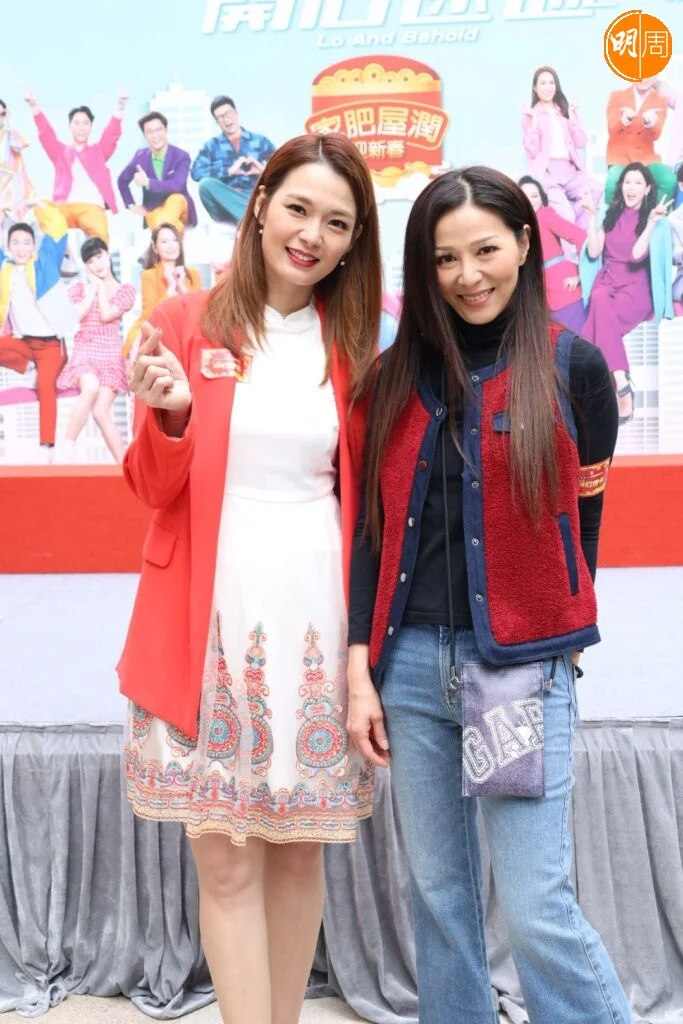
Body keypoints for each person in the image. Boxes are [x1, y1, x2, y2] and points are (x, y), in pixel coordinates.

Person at [346, 165, 633, 1024]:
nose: (467, 274)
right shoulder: (389, 379)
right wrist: (362, 668)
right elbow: (371, 537)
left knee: (536, 904)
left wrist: (559, 635)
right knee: (439, 897)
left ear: (522, 244)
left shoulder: (574, 367)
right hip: (408, 671)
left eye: (484, 250)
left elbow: (584, 519)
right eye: (444, 259)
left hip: (515, 670)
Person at [118, 133, 381, 1024]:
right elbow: (150, 489)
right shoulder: (184, 322)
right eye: (298, 208)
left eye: (336, 223)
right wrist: (172, 418)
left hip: (313, 615)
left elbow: (367, 502)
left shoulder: (356, 345)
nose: (312, 235)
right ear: (260, 204)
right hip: (205, 614)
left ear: (353, 240)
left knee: (298, 852)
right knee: (226, 863)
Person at [579, 162, 674, 425]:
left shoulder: (655, 220)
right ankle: (622, 383)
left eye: (637, 183)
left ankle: (613, 389)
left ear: (647, 189)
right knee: (599, 298)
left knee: (593, 328)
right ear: (621, 186)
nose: (631, 187)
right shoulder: (609, 214)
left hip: (635, 288)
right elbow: (594, 251)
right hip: (607, 282)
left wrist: (651, 223)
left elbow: (635, 255)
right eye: (627, 182)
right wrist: (591, 218)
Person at [0, 203, 75, 460]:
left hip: (51, 346)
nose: (21, 248)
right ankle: (27, 365)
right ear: (8, 246)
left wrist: (38, 206)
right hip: (25, 343)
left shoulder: (45, 263)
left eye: (26, 242)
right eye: (15, 243)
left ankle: (47, 447)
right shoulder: (5, 269)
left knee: (45, 387)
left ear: (34, 245)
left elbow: (58, 229)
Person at [56, 237, 135, 463]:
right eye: (90, 261)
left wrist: (101, 288)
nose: (97, 264)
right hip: (86, 351)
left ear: (108, 254)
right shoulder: (80, 289)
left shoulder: (125, 290)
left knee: (101, 411)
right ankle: (67, 445)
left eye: (99, 256)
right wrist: (93, 289)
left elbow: (107, 314)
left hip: (111, 355)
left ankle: (124, 465)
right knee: (90, 387)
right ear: (86, 266)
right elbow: (76, 316)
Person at [24, 90, 128, 244]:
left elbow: (111, 135)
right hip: (64, 208)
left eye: (86, 123)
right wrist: (34, 106)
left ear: (91, 127)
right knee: (41, 209)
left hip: (91, 208)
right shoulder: (60, 152)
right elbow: (46, 134)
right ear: (70, 126)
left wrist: (120, 106)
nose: (81, 127)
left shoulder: (99, 151)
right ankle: (57, 252)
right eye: (77, 123)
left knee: (101, 242)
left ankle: (101, 257)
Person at [521, 66, 601, 227]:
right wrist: (533, 124)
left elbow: (581, 142)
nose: (548, 87)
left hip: (569, 171)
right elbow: (532, 151)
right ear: (535, 88)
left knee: (595, 189)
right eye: (543, 83)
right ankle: (571, 231)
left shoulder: (564, 111)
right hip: (546, 172)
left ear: (556, 86)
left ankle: (577, 233)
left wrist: (573, 117)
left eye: (551, 83)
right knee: (566, 215)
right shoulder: (531, 114)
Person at [191, 95, 275, 225]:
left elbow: (283, 168)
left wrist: (262, 170)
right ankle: (250, 219)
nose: (226, 119)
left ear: (236, 113)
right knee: (205, 185)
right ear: (216, 122)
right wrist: (228, 171)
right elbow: (196, 173)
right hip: (226, 199)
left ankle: (245, 220)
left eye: (228, 113)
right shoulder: (212, 145)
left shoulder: (260, 140)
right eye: (220, 117)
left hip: (254, 196)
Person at [122, 222, 202, 359]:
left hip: (185, 330)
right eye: (164, 242)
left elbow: (198, 313)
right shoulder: (149, 275)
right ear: (155, 247)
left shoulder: (193, 274)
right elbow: (149, 314)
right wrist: (170, 287)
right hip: (157, 329)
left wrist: (181, 286)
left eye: (174, 240)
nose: (171, 245)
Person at [519, 174, 587, 334]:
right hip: (541, 296)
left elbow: (580, 236)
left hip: (564, 291)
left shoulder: (545, 215)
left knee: (575, 343)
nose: (530, 200)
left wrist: (581, 275)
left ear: (541, 199)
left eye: (534, 195)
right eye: (525, 196)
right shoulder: (517, 226)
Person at [118, 111, 197, 236]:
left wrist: (147, 182)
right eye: (150, 132)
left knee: (175, 199)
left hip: (180, 208)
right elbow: (122, 180)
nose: (155, 136)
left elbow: (177, 186)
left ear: (165, 130)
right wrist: (131, 205)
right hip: (154, 210)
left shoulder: (181, 156)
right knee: (169, 228)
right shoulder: (140, 157)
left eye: (159, 130)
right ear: (145, 135)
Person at [605, 78, 677, 205]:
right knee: (612, 183)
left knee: (669, 180)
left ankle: (652, 213)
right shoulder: (617, 96)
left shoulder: (660, 100)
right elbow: (612, 130)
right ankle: (609, 217)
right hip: (620, 157)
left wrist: (649, 123)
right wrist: (625, 119)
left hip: (646, 157)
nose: (643, 79)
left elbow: (656, 135)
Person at [0, 99, 36, 231]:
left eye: (2, 114)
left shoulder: (9, 135)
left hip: (12, 193)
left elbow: (19, 145)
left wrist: (11, 124)